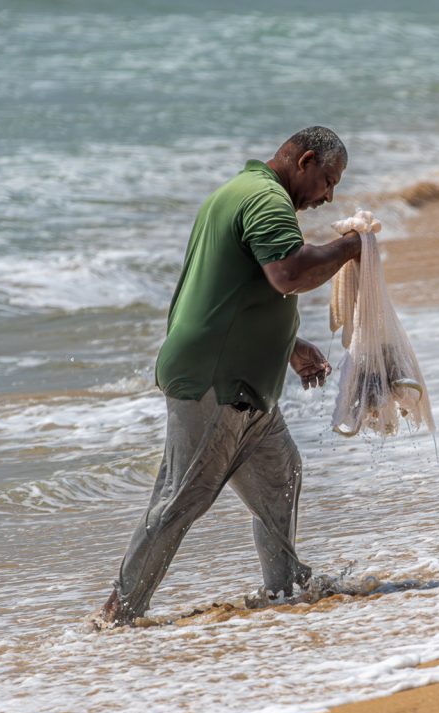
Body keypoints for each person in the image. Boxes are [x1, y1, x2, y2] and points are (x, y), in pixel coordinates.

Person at [94, 126, 361, 627]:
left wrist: (289, 346)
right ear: (303, 161)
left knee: (282, 477)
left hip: (245, 384)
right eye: (327, 180)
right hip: (216, 382)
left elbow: (234, 291)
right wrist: (349, 248)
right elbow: (287, 273)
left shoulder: (236, 193)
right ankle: (116, 616)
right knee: (180, 500)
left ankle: (282, 593)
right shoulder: (266, 200)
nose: (328, 196)